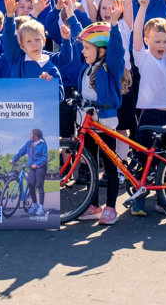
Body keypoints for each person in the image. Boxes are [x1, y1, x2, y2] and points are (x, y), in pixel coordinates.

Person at [124, 0, 166, 217]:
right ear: (147, 42)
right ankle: (139, 198)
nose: (161, 44)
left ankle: (165, 198)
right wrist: (141, 7)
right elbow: (136, 30)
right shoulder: (142, 56)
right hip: (149, 111)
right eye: (156, 41)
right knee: (143, 157)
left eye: (164, 40)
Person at [62, 20, 126, 225]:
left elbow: (117, 49)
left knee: (109, 166)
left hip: (105, 122)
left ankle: (110, 208)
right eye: (83, 47)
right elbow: (82, 34)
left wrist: (114, 26)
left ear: (102, 50)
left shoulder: (110, 67)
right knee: (90, 165)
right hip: (87, 123)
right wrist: (72, 18)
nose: (83, 51)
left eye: (87, 48)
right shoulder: (87, 67)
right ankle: (93, 205)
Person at [13, 128, 50, 217]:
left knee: (40, 186)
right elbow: (22, 151)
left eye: (31, 134)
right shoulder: (29, 143)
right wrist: (14, 159)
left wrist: (37, 164)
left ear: (35, 136)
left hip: (40, 167)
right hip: (32, 168)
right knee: (30, 185)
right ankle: (35, 205)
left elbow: (44, 158)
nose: (30, 135)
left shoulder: (43, 144)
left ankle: (41, 208)